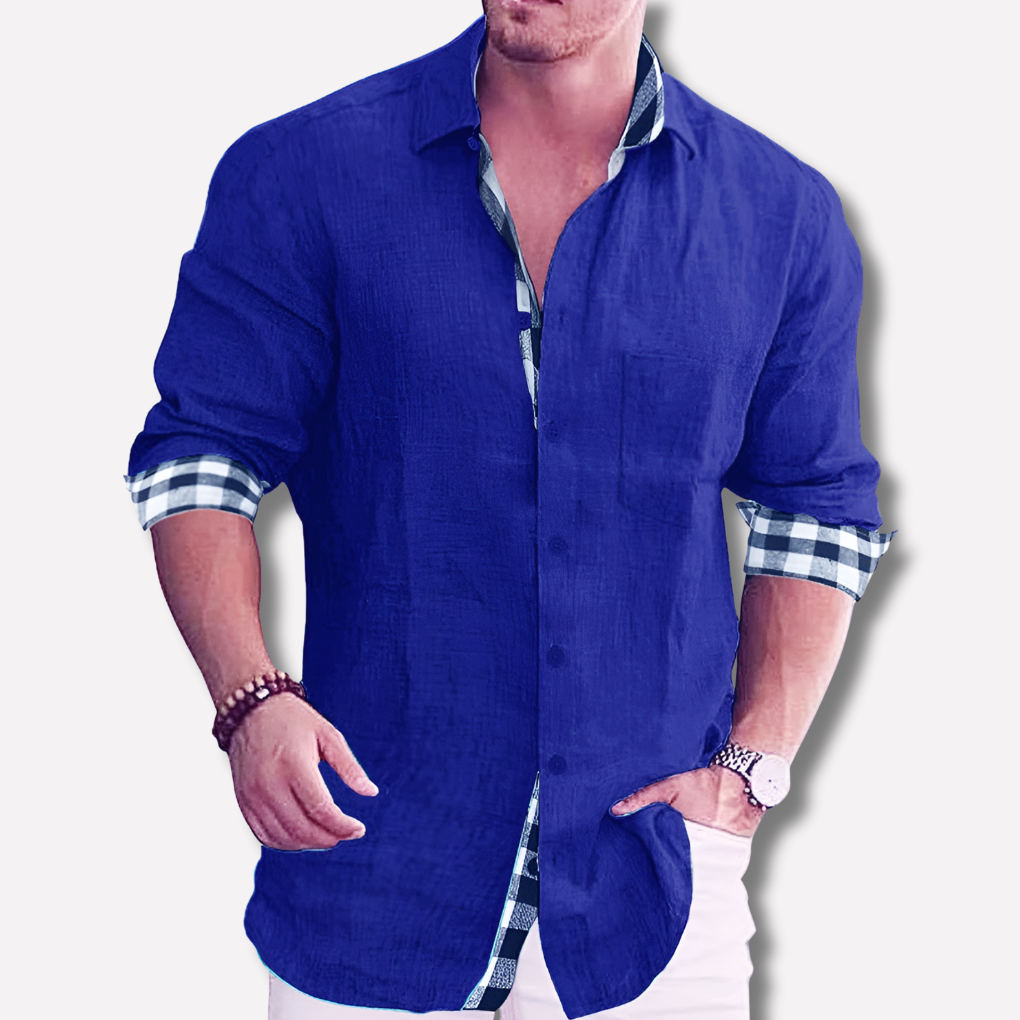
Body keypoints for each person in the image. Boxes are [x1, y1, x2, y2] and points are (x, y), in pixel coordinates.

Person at [126, 2, 892, 1018]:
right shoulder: (300, 173)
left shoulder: (781, 216)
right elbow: (204, 458)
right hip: (370, 862)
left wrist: (752, 768)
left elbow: (814, 509)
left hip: (655, 884)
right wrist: (248, 698)